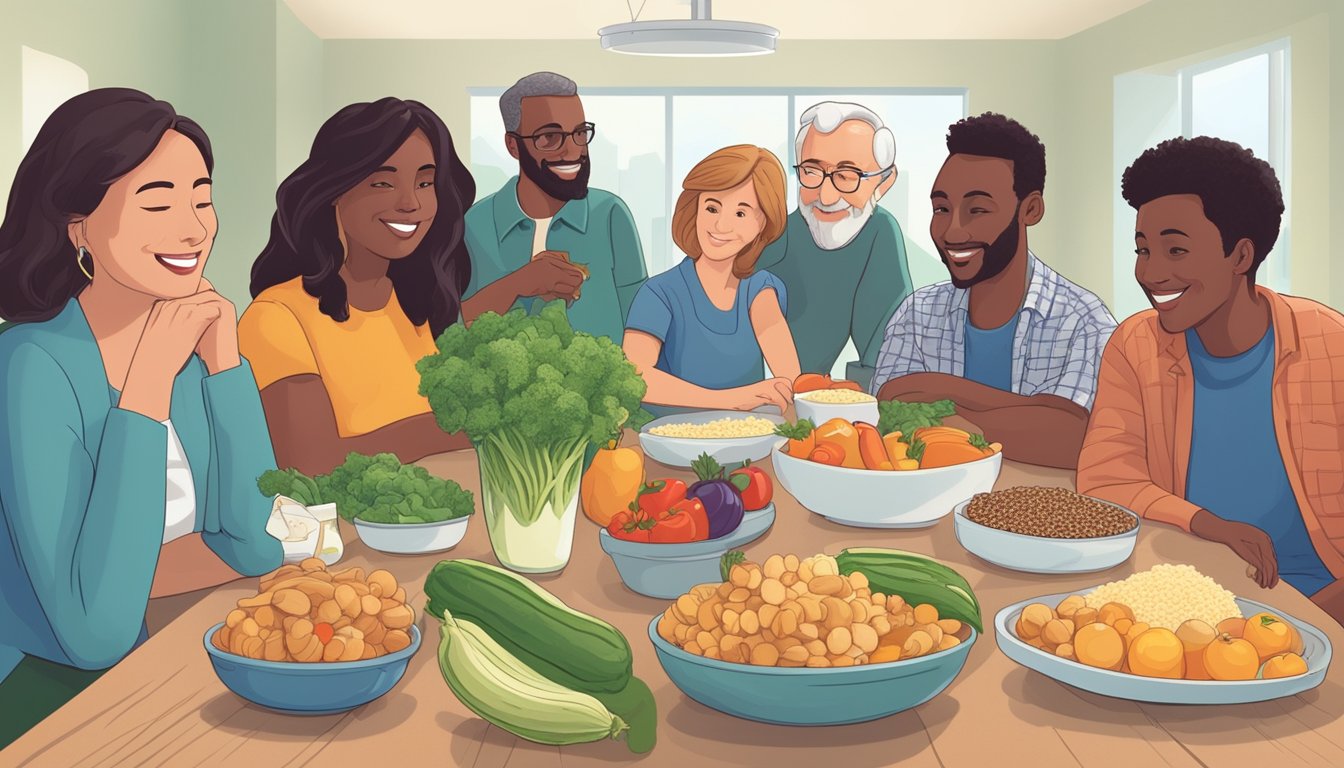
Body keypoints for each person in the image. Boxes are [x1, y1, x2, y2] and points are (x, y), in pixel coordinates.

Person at [0, 88, 283, 746]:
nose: (192, 228)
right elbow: (92, 631)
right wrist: (147, 385)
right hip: (43, 698)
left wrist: (224, 367)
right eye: (156, 203)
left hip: (162, 646)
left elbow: (261, 542)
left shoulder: (185, 348)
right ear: (79, 227)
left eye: (202, 199)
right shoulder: (28, 366)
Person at [1078, 137, 1344, 624]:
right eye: (1143, 250)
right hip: (1180, 603)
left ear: (1241, 256)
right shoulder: (1136, 345)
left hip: (1320, 608)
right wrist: (1208, 524)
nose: (1152, 272)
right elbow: (1105, 479)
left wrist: (1303, 626)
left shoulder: (1330, 345)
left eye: (1176, 250)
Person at [240, 98, 474, 475]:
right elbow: (312, 463)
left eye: (425, 182)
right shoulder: (277, 317)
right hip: (343, 531)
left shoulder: (419, 304)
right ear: (335, 189)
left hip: (439, 523)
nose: (410, 202)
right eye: (383, 182)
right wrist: (460, 429)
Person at [871, 113, 1116, 469]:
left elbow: (1072, 440)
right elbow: (890, 407)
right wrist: (1034, 413)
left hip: (1035, 508)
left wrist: (944, 394)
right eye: (941, 208)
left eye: (978, 210)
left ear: (1030, 209)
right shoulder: (917, 311)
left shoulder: (1084, 321)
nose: (952, 232)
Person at [463, 71, 647, 344]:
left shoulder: (610, 214)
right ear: (513, 145)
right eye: (550, 137)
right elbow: (452, 326)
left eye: (580, 133)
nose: (573, 151)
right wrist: (517, 284)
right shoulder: (476, 224)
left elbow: (641, 321)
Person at [623, 145, 799, 414]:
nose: (720, 226)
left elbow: (789, 381)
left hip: (746, 442)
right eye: (712, 208)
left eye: (740, 213)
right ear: (694, 208)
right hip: (667, 444)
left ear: (763, 223)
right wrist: (728, 401)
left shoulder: (761, 290)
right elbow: (634, 376)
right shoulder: (659, 293)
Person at [754, 101, 912, 385]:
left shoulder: (878, 233)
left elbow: (887, 354)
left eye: (847, 176)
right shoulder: (769, 238)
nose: (826, 197)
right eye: (811, 172)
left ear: (884, 183)